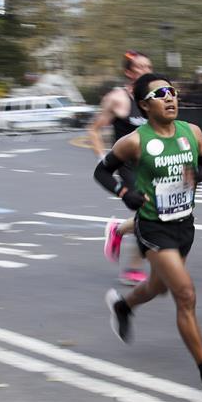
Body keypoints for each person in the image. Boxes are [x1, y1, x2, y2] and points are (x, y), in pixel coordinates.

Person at [94, 73, 202, 396]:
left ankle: (124, 307)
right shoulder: (134, 141)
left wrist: (199, 175)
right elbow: (102, 171)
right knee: (185, 295)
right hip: (153, 227)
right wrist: (124, 193)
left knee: (158, 287)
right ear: (145, 105)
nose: (170, 97)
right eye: (161, 94)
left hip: (184, 225)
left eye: (172, 91)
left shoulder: (193, 133)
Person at [88, 50, 152, 286]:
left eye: (149, 67)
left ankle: (118, 229)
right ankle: (134, 268)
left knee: (160, 213)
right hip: (128, 165)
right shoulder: (118, 98)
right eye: (141, 67)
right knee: (147, 212)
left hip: (154, 163)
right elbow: (94, 129)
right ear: (128, 72)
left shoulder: (155, 97)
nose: (146, 71)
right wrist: (102, 159)